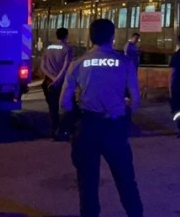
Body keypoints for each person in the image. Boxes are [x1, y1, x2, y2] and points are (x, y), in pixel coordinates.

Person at [60, 19, 143, 217]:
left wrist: (75, 114)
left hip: (87, 128)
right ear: (113, 37)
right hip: (114, 128)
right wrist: (125, 112)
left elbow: (65, 102)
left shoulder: (77, 64)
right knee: (126, 180)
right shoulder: (125, 62)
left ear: (91, 37)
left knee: (87, 184)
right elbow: (136, 99)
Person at [40, 27, 73, 141]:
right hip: (61, 83)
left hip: (48, 82)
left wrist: (51, 78)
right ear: (66, 36)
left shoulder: (48, 48)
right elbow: (65, 67)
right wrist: (57, 80)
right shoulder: (67, 49)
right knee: (66, 107)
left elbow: (42, 66)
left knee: (52, 108)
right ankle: (63, 131)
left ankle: (54, 131)